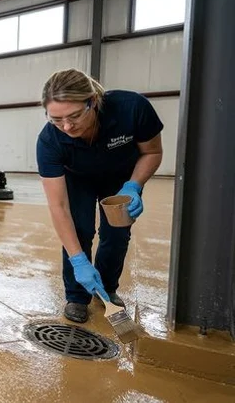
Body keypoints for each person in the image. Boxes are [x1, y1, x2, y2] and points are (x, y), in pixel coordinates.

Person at [36, 68, 163, 323]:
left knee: (116, 234)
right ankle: (77, 295)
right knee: (80, 230)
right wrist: (78, 260)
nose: (67, 126)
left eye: (73, 116)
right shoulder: (50, 140)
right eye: (56, 119)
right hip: (77, 178)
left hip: (121, 177)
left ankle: (106, 290)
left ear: (92, 101)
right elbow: (58, 206)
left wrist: (133, 186)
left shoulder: (132, 108)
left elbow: (152, 152)